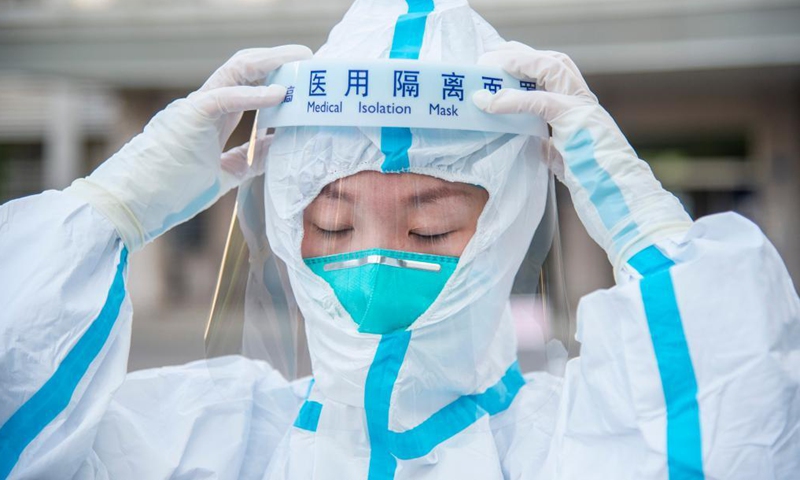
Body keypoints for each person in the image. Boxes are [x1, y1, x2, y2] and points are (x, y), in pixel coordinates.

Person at [1, 1, 799, 479]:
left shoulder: (572, 444)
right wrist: (109, 208)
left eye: (431, 227)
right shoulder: (211, 438)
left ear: (507, 230)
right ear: (284, 224)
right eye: (332, 224)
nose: (376, 268)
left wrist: (649, 230)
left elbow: (741, 436)